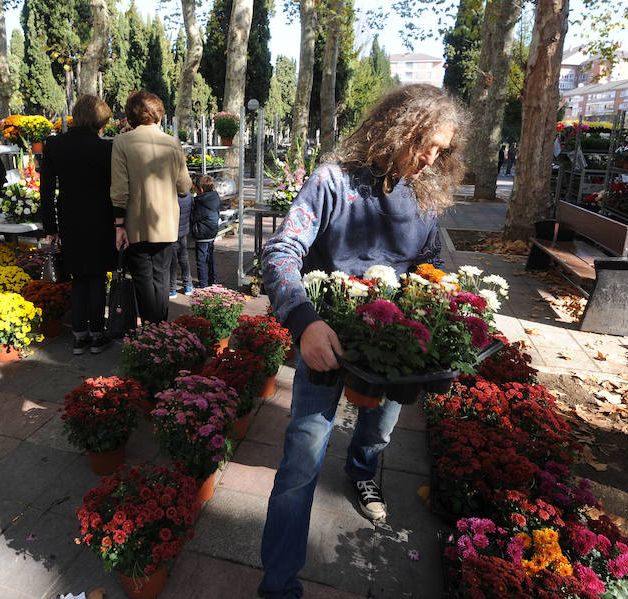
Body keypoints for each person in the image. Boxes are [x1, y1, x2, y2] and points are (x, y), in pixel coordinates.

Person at [257, 84, 468, 599]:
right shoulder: (333, 182)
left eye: (441, 150)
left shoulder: (424, 194)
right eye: (425, 143)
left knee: (379, 430)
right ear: (397, 128)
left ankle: (361, 470)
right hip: (326, 341)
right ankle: (278, 586)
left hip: (393, 348)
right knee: (300, 462)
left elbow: (429, 262)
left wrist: (447, 300)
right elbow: (281, 251)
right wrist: (304, 322)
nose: (431, 158)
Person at [40, 95, 116, 355]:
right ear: (98, 121)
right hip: (100, 219)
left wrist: (50, 228)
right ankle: (96, 335)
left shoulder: (54, 145)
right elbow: (115, 188)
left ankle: (78, 336)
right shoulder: (105, 148)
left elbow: (46, 190)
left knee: (78, 278)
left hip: (69, 219)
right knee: (96, 277)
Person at [111, 90, 192, 323]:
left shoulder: (121, 142)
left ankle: (149, 328)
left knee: (142, 279)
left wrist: (119, 225)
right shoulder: (172, 143)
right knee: (162, 277)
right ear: (158, 114)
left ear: (130, 116)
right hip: (166, 223)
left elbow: (120, 189)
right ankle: (160, 329)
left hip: (135, 223)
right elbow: (184, 186)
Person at [191, 174, 221, 288]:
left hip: (202, 233)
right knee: (210, 257)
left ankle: (203, 283)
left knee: (201, 259)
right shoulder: (215, 197)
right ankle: (213, 280)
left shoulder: (199, 201)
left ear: (201, 189)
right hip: (212, 231)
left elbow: (195, 217)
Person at [170, 190, 194, 298]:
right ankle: (188, 285)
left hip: (172, 232)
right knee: (184, 258)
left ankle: (172, 289)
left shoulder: (172, 197)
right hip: (183, 231)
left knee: (173, 261)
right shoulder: (188, 196)